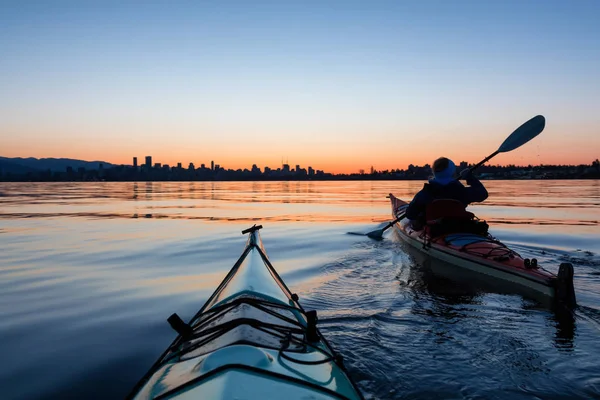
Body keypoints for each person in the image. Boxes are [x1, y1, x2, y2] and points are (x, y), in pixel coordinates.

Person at [405, 157, 488, 227]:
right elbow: (482, 194)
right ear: (452, 172)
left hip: (434, 230)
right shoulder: (462, 191)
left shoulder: (424, 193)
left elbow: (410, 214)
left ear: (434, 172)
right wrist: (470, 177)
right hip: (459, 227)